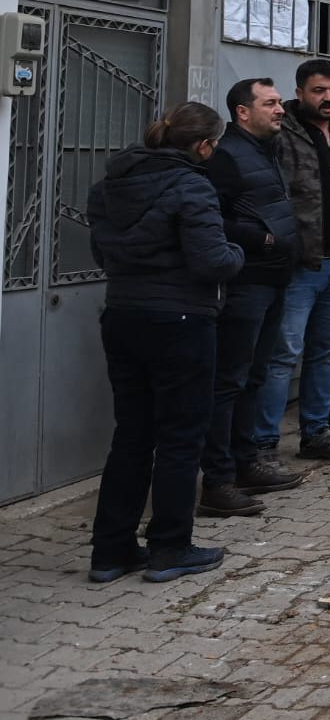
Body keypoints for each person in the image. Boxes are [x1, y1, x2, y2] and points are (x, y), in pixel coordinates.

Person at [86, 102, 245, 583]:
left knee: (132, 434)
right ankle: (170, 547)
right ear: (203, 146)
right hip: (181, 320)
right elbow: (212, 260)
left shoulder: (110, 184)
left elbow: (101, 251)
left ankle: (111, 552)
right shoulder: (192, 185)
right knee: (181, 437)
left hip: (123, 313)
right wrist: (240, 252)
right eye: (214, 144)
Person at [253, 60, 330, 463]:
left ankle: (316, 432)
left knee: (328, 348)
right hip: (301, 263)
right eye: (320, 91)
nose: (328, 98)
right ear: (301, 91)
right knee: (283, 354)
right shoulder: (281, 133)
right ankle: (263, 443)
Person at [197, 78, 305, 518]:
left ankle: (247, 464)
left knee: (254, 378)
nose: (281, 110)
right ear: (243, 111)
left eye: (280, 102)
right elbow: (213, 219)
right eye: (271, 103)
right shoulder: (226, 157)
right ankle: (218, 481)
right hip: (246, 284)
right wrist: (261, 240)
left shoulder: (268, 149)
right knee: (230, 381)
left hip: (275, 279)